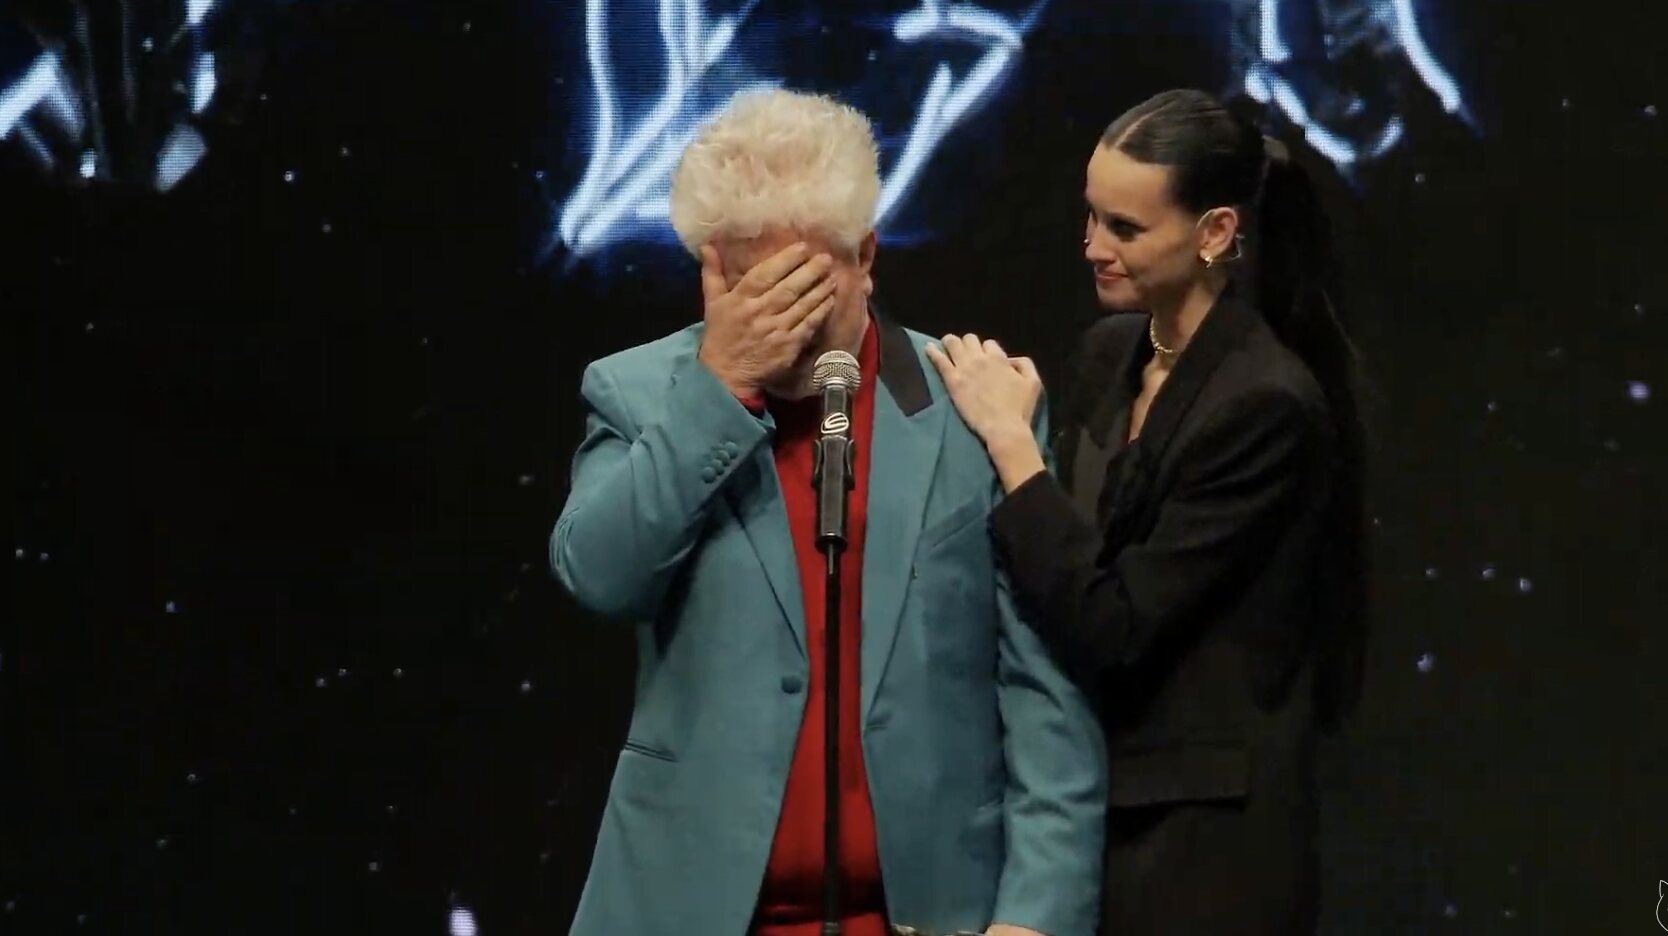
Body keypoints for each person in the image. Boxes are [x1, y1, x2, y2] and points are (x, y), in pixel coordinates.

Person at [552, 89, 1107, 936]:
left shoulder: (975, 406)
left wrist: (1037, 915)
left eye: (810, 285)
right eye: (754, 289)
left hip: (926, 913)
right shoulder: (636, 395)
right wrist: (719, 387)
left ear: (867, 257)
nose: (789, 327)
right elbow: (599, 576)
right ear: (709, 270)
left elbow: (1044, 687)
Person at [925, 88, 1369, 934]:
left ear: (1215, 234)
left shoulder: (1264, 406)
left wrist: (1012, 445)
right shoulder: (1107, 355)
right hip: (1095, 813)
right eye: (1091, 217)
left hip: (1200, 861)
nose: (1093, 247)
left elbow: (1114, 622)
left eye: (1125, 229)